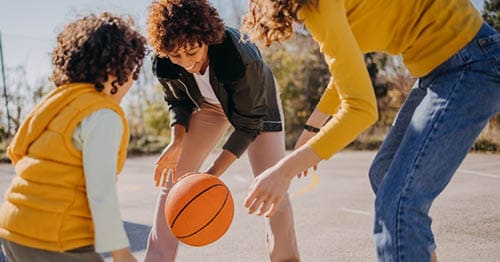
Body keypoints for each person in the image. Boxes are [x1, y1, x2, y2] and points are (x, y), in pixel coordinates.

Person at [241, 0, 500, 261]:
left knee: (399, 204)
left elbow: (361, 109)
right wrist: (313, 126)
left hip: (469, 64)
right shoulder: (322, 9)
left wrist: (285, 171)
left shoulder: (318, 7)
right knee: (384, 173)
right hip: (442, 68)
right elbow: (344, 69)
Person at [143, 0, 301, 261]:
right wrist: (176, 141)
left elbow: (249, 122)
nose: (185, 63)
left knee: (272, 188)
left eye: (192, 52)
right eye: (176, 56)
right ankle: (157, 257)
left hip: (257, 108)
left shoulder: (239, 57)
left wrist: (210, 177)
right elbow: (178, 101)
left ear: (206, 38)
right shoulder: (165, 60)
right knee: (174, 177)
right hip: (210, 107)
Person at [0, 12, 147, 262]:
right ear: (114, 70)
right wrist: (121, 252)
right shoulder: (102, 114)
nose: (132, 81)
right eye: (132, 72)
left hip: (14, 229)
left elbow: (17, 151)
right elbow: (101, 192)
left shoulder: (56, 102)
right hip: (56, 238)